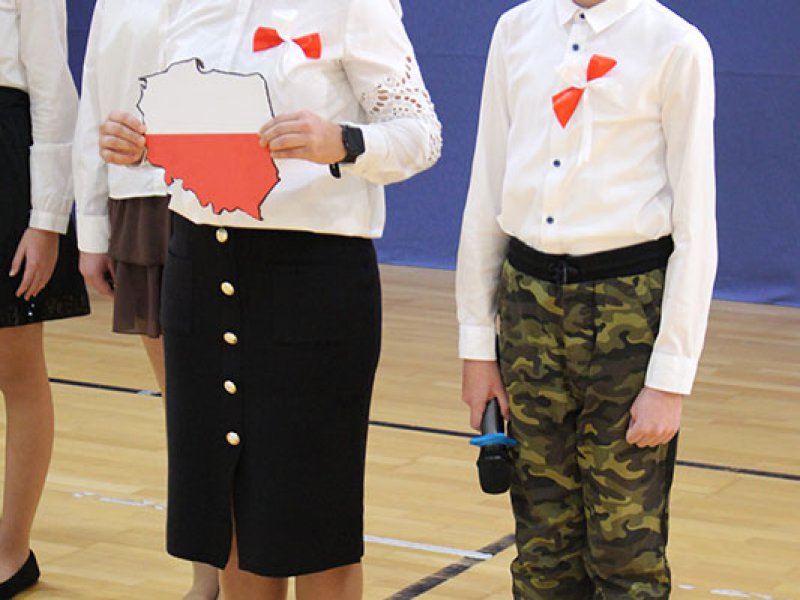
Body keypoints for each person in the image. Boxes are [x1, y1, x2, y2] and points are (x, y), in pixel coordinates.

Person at [98, 0, 441, 598]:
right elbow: (189, 135)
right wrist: (138, 145)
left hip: (312, 278)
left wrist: (342, 140)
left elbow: (422, 135)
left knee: (316, 522)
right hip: (199, 265)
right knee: (226, 509)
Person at [456, 0, 716, 597]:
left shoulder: (676, 45)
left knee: (626, 546)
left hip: (627, 306)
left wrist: (670, 380)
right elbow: (486, 191)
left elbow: (696, 225)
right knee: (541, 543)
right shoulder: (515, 30)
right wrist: (477, 347)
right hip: (527, 304)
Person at [72, 1, 220, 598]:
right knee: (186, 408)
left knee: (239, 408)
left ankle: (252, 572)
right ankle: (206, 577)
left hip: (223, 194)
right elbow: (95, 98)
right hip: (143, 201)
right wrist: (92, 229)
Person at [0, 0, 90, 596]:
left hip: (6, 165)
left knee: (17, 370)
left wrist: (47, 219)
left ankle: (10, 552)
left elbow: (54, 90)